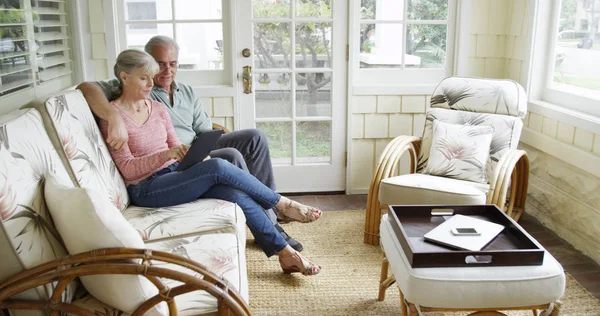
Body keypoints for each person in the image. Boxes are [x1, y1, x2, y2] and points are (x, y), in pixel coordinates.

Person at [99, 49, 321, 276]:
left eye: (150, 77)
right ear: (124, 77)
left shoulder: (157, 108)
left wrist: (195, 156)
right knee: (218, 166)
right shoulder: (113, 118)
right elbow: (127, 167)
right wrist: (166, 155)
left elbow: (175, 143)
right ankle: (280, 204)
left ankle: (286, 255)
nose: (150, 84)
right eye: (143, 78)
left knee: (236, 194)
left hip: (175, 173)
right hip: (146, 187)